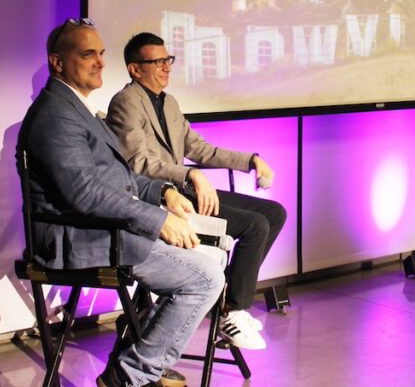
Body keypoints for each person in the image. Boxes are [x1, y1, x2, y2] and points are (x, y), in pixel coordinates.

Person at [18, 19, 223, 387]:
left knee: (214, 254)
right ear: (57, 62)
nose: (100, 62)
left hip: (103, 230)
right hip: (81, 239)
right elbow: (85, 193)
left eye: (100, 53)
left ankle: (136, 358)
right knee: (205, 278)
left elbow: (119, 178)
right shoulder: (55, 116)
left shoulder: (77, 108)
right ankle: (129, 376)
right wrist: (159, 221)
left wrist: (164, 193)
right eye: (88, 54)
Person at [107, 32, 287, 351]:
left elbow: (200, 149)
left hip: (185, 193)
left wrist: (250, 160)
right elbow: (138, 163)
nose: (166, 67)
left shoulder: (169, 103)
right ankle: (231, 311)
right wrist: (188, 174)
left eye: (168, 60)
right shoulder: (125, 102)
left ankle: (227, 299)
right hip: (161, 199)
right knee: (254, 225)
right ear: (135, 69)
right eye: (157, 61)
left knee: (274, 213)